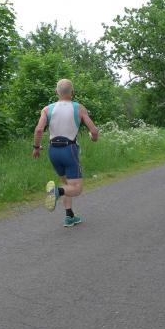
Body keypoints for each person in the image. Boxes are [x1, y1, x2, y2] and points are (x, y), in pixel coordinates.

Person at [32, 79, 99, 227]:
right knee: (76, 188)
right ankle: (56, 191)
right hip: (69, 150)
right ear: (72, 92)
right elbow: (94, 131)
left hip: (53, 151)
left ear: (56, 92)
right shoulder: (79, 108)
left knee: (67, 184)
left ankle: (69, 216)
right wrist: (93, 138)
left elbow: (39, 130)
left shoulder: (47, 109)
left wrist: (36, 147)